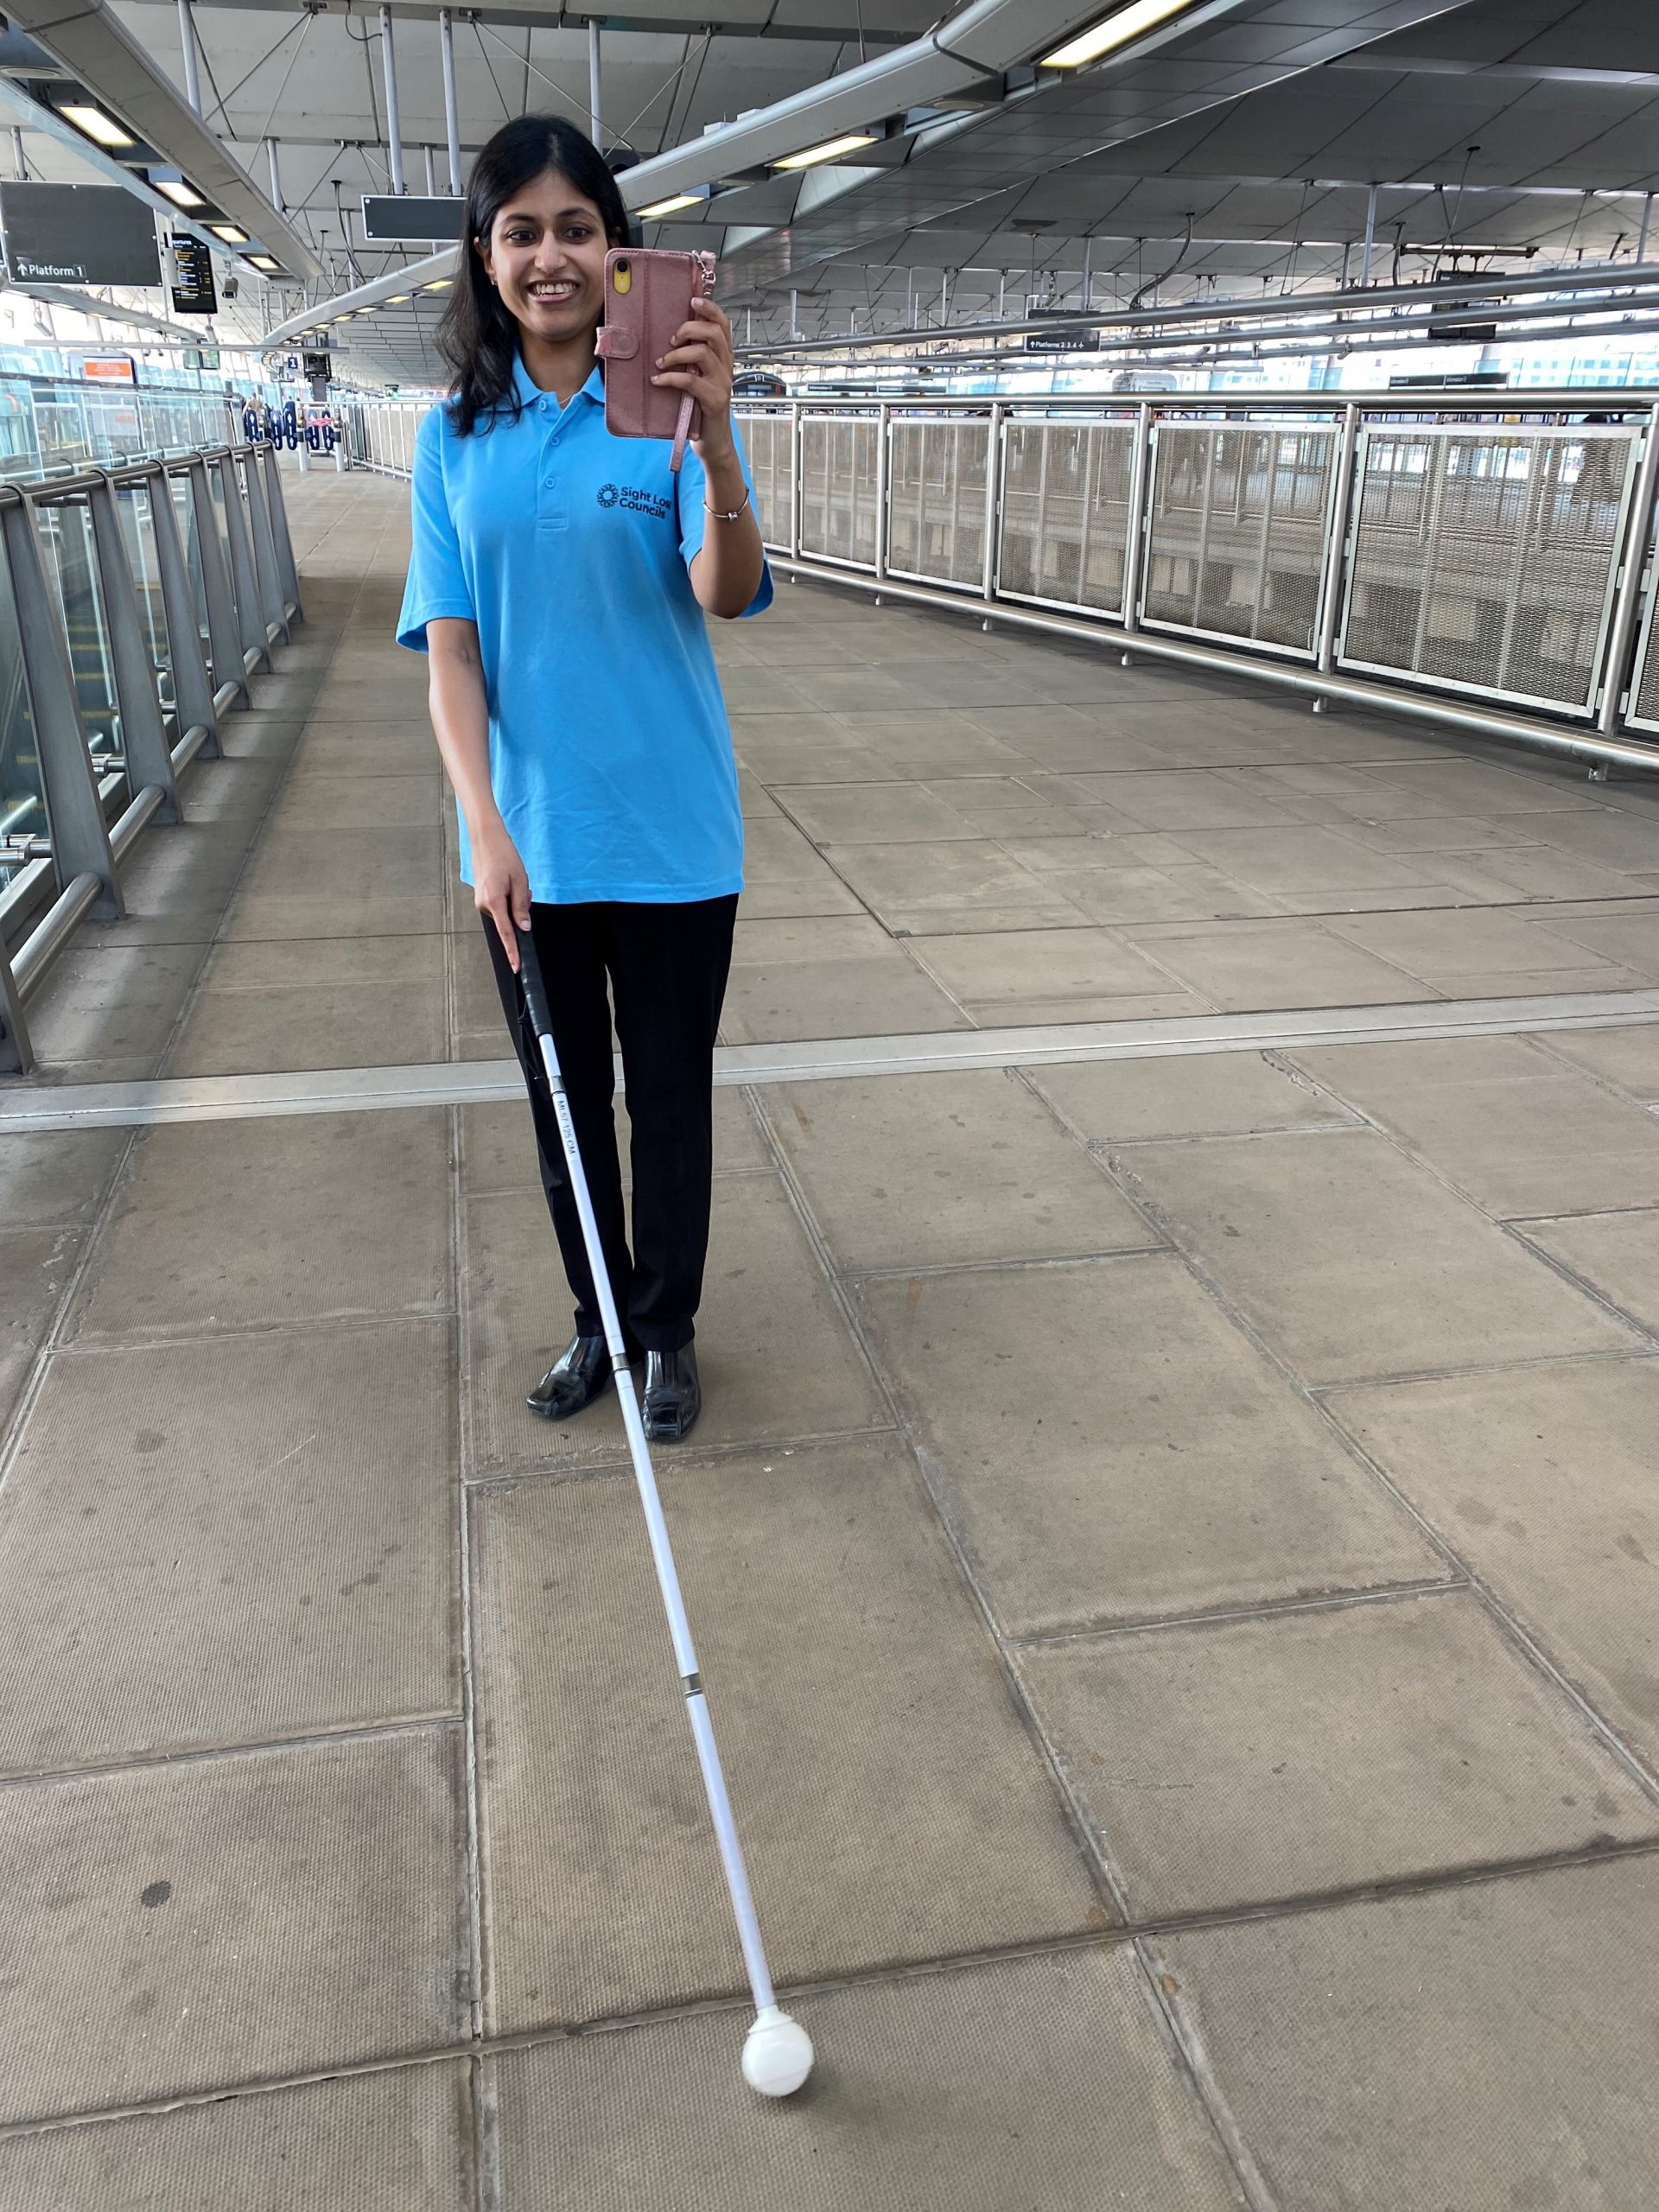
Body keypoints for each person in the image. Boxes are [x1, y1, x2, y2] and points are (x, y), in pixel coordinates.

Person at [396, 113, 769, 1443]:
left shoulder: (665, 416)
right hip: (526, 850)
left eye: (576, 227)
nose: (550, 255)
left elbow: (724, 593)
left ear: (617, 253)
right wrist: (482, 826)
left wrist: (717, 444)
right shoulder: (451, 437)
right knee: (567, 1112)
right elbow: (452, 658)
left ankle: (664, 1331)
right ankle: (599, 1320)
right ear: (484, 258)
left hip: (672, 834)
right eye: (521, 231)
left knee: (668, 1101)